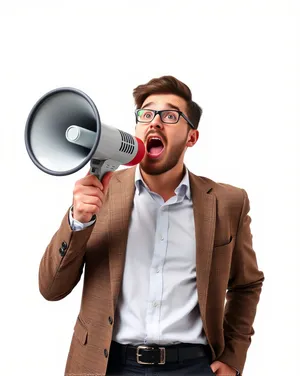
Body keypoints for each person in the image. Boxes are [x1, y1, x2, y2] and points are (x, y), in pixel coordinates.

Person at [39, 76, 264, 376]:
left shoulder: (227, 202)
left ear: (191, 137)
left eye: (170, 116)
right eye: (146, 114)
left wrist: (233, 358)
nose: (154, 123)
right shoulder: (99, 195)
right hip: (107, 365)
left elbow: (246, 284)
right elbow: (51, 288)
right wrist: (78, 221)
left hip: (193, 366)